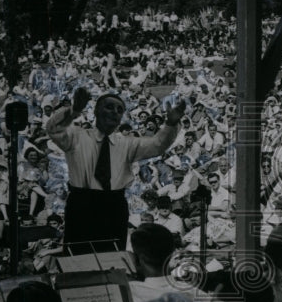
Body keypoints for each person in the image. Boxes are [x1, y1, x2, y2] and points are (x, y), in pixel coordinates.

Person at [46, 87, 185, 251]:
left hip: (114, 206)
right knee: (78, 257)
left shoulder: (127, 143)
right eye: (109, 107)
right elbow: (54, 129)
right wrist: (74, 110)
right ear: (96, 111)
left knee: (111, 259)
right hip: (81, 205)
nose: (114, 112)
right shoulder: (77, 136)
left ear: (121, 118)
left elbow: (157, 145)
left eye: (119, 110)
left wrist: (171, 124)